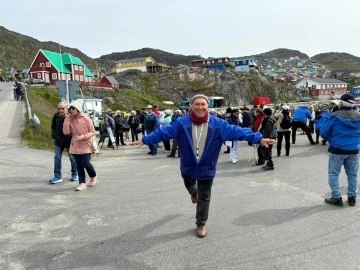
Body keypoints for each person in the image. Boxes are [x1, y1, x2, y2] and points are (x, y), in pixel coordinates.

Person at [131, 94, 275, 238]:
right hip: (188, 165)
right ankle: (194, 193)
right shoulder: (181, 123)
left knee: (205, 197)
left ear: (208, 107)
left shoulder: (219, 124)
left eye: (203, 104)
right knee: (189, 184)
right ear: (191, 107)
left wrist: (259, 138)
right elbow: (164, 132)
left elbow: (238, 131)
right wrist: (146, 139)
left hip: (207, 167)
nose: (200, 107)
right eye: (197, 104)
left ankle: (200, 223)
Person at [321, 94, 360, 207]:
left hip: (337, 149)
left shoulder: (334, 116)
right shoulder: (359, 115)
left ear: (341, 103)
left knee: (333, 174)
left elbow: (323, 133)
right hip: (354, 150)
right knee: (352, 174)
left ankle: (337, 198)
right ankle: (352, 198)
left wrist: (331, 140)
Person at [63, 99, 97, 191]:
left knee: (85, 162)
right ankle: (82, 183)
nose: (71, 110)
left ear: (78, 109)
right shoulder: (70, 119)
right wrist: (66, 119)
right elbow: (66, 132)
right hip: (75, 145)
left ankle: (93, 176)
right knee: (78, 165)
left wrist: (83, 136)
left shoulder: (86, 118)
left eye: (73, 108)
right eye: (70, 109)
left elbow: (93, 132)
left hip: (86, 143)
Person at [49, 102, 78, 184]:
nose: (61, 110)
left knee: (72, 158)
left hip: (69, 141)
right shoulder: (56, 116)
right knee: (57, 158)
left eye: (63, 108)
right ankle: (57, 176)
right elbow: (53, 126)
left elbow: (75, 127)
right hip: (58, 141)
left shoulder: (71, 116)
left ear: (67, 108)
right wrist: (53, 134)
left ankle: (75, 174)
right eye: (59, 108)